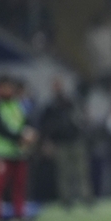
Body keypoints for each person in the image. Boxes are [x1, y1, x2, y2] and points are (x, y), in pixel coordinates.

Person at [0, 75, 38, 221]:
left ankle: (19, 215)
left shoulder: (18, 105)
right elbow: (1, 129)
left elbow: (27, 122)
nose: (8, 90)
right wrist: (21, 137)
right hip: (1, 153)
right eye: (5, 87)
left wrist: (30, 134)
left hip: (19, 153)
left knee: (19, 185)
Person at [39, 77, 94, 209]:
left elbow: (81, 116)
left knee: (81, 171)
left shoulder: (70, 101)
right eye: (55, 85)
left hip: (76, 140)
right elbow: (45, 126)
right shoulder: (50, 106)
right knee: (64, 173)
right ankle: (66, 200)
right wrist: (47, 142)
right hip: (61, 143)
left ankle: (86, 197)